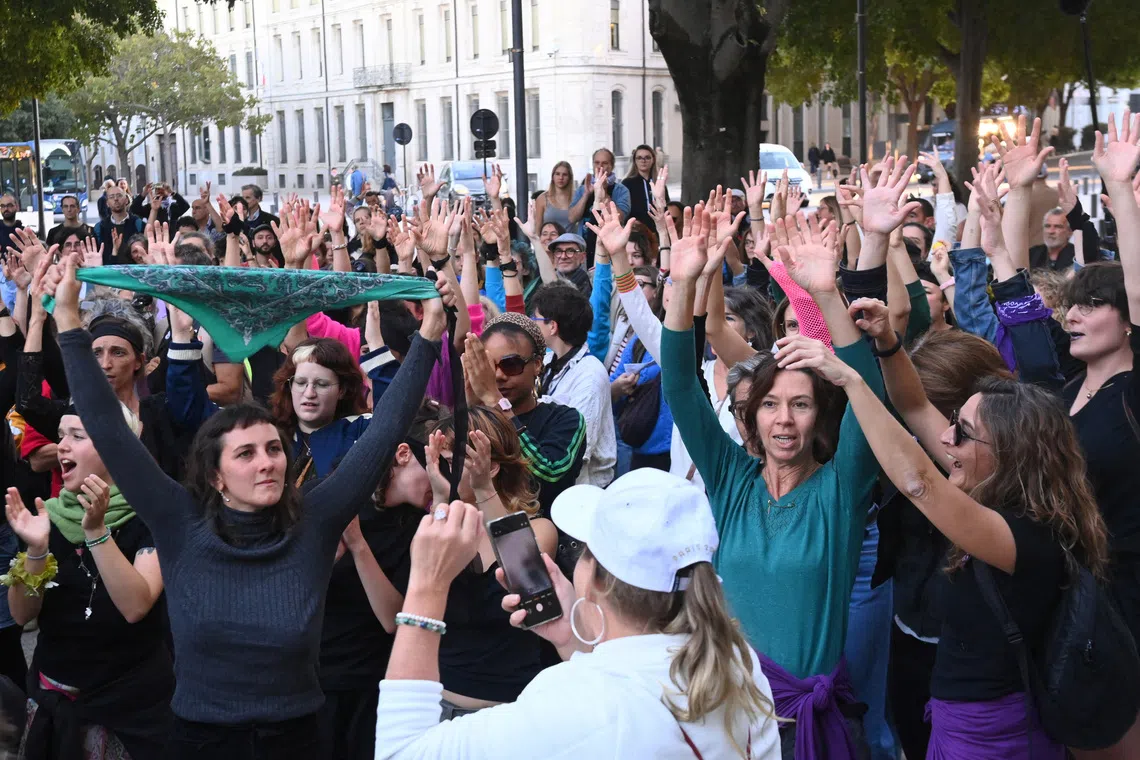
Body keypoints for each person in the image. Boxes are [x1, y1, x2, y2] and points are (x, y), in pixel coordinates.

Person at [41, 251, 446, 759]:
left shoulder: (315, 522)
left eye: (274, 449)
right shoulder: (177, 520)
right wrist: (68, 323)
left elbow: (386, 430)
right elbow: (105, 426)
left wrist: (429, 335)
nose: (268, 463)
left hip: (299, 739)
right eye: (248, 454)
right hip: (200, 740)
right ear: (215, 474)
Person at [663, 163, 916, 756]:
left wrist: (827, 294)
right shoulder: (731, 480)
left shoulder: (841, 489)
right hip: (729, 712)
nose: (783, 419)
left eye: (801, 404)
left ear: (818, 417)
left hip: (807, 726)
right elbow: (679, 384)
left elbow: (871, 399)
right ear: (748, 419)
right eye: (770, 405)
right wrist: (682, 285)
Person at [819, 297, 1109, 759]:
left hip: (993, 732)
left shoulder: (1028, 536)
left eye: (964, 432)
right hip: (959, 714)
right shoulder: (1006, 497)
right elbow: (913, 403)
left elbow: (918, 483)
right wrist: (888, 344)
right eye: (954, 422)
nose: (946, 438)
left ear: (1012, 454)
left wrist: (854, 382)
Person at [372, 468, 782, 758]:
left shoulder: (574, 702)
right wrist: (571, 638)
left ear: (595, 581)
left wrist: (427, 585)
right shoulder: (737, 662)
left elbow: (402, 751)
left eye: (584, 552)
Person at [3, 404, 172, 759]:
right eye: (61, 435)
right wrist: (36, 551)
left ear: (117, 447)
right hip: (53, 697)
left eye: (77, 436)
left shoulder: (153, 514)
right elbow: (22, 614)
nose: (62, 445)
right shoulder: (49, 516)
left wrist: (96, 533)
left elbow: (136, 606)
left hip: (129, 708)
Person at [424, 407, 559, 717]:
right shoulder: (444, 524)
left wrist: (484, 489)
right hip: (440, 708)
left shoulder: (540, 529)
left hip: (508, 713)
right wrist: (441, 500)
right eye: (443, 464)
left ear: (492, 467)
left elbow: (527, 586)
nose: (447, 472)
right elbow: (427, 589)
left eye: (456, 463)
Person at [465, 312, 586, 517]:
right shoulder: (476, 418)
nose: (498, 376)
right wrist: (468, 408)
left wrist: (495, 401)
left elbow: (549, 477)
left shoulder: (567, 419)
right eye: (488, 367)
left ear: (537, 364)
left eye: (511, 365)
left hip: (542, 540)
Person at [532, 283, 617, 487]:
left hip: (582, 488)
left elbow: (581, 446)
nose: (532, 325)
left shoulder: (590, 375)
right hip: (552, 474)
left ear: (552, 326)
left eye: (535, 320)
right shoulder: (547, 361)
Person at [569, 149, 631, 266]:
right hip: (584, 248)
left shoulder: (621, 190)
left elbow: (620, 217)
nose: (600, 166)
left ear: (612, 166)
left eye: (604, 163)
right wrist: (586, 194)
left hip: (611, 248)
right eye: (596, 163)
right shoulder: (583, 189)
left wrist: (603, 192)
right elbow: (572, 218)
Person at [92, 186, 146, 265]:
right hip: (110, 274)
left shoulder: (138, 223)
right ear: (107, 203)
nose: (116, 199)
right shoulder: (100, 227)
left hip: (134, 272)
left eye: (119, 195)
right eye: (111, 197)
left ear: (126, 200)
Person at [622, 145, 666, 231]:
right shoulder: (627, 183)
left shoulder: (659, 183)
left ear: (653, 160)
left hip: (658, 228)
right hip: (636, 230)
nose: (643, 161)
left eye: (647, 157)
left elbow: (666, 205)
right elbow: (624, 209)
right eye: (639, 158)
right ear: (635, 161)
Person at [534, 162, 574, 235]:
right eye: (557, 174)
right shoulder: (542, 198)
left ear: (569, 178)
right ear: (552, 177)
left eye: (564, 174)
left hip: (570, 243)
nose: (561, 178)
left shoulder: (576, 197)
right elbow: (537, 227)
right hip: (548, 243)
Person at [547, 233, 591, 297]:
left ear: (582, 257)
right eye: (558, 251)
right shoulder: (543, 282)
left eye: (570, 251)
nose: (563, 256)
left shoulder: (592, 283)